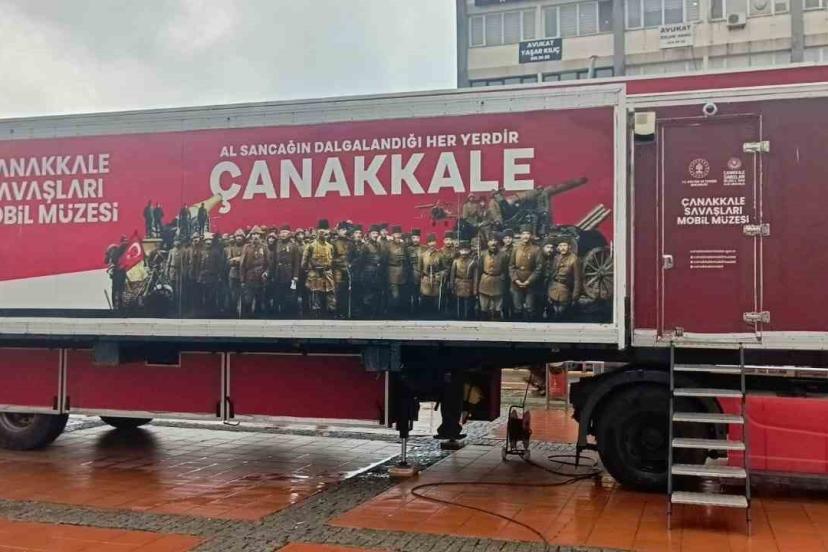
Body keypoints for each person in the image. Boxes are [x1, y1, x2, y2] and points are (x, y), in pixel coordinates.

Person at [302, 219, 336, 317]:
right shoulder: (311, 246)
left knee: (329, 293)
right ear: (317, 231)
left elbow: (332, 260)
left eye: (325, 230)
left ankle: (329, 314)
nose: (324, 232)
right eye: (321, 230)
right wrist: (310, 270)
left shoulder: (330, 246)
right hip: (315, 274)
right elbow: (304, 263)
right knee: (315, 294)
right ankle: (316, 315)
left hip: (327, 274)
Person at [509, 224, 543, 321]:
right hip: (516, 283)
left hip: (530, 283)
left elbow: (539, 268)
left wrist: (529, 281)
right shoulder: (516, 248)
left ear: (531, 235)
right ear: (520, 235)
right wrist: (516, 280)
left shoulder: (536, 249)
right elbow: (511, 266)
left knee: (530, 308)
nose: (525, 236)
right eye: (523, 234)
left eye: (528, 234)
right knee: (517, 308)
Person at [270, 225, 302, 317]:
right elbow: (273, 261)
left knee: (289, 295)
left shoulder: (294, 246)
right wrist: (272, 274)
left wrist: (295, 276)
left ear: (289, 234)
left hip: (289, 273)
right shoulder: (276, 245)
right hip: (278, 273)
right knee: (277, 294)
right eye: (282, 232)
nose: (283, 234)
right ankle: (277, 314)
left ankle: (288, 314)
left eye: (285, 232)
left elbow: (296, 263)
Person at [547, 239, 582, 320]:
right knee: (552, 314)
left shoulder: (574, 259)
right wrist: (549, 291)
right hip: (553, 290)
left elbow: (577, 280)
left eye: (565, 245)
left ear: (569, 247)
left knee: (562, 315)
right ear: (558, 248)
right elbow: (551, 276)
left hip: (565, 291)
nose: (562, 248)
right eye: (561, 246)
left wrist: (575, 297)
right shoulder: (556, 258)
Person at [477, 233, 509, 320]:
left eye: (495, 240)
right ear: (488, 242)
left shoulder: (504, 255)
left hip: (498, 282)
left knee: (498, 307)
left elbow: (506, 270)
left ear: (498, 242)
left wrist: (503, 279)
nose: (493, 243)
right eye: (491, 240)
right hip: (485, 282)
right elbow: (479, 270)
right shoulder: (483, 254)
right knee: (484, 307)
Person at [239, 226, 269, 317]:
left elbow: (268, 263)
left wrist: (266, 272)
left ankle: (258, 319)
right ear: (251, 236)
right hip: (249, 277)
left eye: (257, 234)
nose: (255, 236)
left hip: (260, 278)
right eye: (254, 234)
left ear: (260, 236)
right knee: (247, 300)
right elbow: (242, 264)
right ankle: (246, 318)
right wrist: (242, 279)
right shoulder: (247, 247)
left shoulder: (264, 247)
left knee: (259, 300)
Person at [418, 233, 445, 317]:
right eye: (430, 242)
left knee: (434, 299)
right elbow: (420, 268)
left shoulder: (440, 255)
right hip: (426, 280)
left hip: (436, 280)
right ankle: (424, 315)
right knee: (425, 298)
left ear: (436, 243)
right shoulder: (423, 255)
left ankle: (435, 316)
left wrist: (441, 274)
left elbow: (444, 268)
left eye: (433, 242)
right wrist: (422, 278)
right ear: (427, 243)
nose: (432, 244)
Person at [450, 240, 477, 320]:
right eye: (462, 250)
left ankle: (467, 318)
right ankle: (459, 318)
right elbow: (452, 275)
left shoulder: (473, 262)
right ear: (459, 250)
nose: (464, 252)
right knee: (459, 302)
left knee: (468, 303)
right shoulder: (455, 261)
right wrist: (452, 286)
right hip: (458, 284)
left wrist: (475, 289)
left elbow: (475, 277)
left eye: (466, 250)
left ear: (469, 251)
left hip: (469, 285)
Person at [385, 225, 408, 317]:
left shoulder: (403, 245)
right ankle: (392, 313)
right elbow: (384, 259)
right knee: (394, 294)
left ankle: (400, 313)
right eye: (396, 234)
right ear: (393, 235)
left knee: (401, 293)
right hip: (392, 272)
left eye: (399, 234)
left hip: (402, 272)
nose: (398, 235)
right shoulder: (388, 245)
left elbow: (406, 259)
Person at [332, 221, 353, 318]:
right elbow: (331, 258)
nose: (344, 231)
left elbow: (354, 256)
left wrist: (351, 263)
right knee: (338, 290)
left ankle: (346, 312)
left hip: (349, 270)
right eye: (342, 230)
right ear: (338, 231)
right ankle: (337, 312)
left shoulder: (350, 242)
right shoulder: (334, 243)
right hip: (338, 270)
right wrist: (341, 262)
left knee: (347, 291)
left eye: (345, 229)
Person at [225, 229, 245, 316]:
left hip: (244, 275)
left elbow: (247, 260)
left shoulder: (246, 247)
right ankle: (233, 313)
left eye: (240, 236)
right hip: (233, 275)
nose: (239, 238)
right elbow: (229, 261)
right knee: (234, 296)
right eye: (237, 236)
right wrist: (237, 260)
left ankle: (243, 314)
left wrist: (238, 259)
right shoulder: (231, 248)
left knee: (244, 296)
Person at [406, 229, 424, 314]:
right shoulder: (407, 249)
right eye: (413, 238)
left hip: (421, 274)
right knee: (411, 293)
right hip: (410, 274)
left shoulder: (424, 248)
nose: (415, 240)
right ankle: (411, 310)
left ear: (420, 238)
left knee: (420, 293)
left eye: (417, 238)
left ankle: (419, 310)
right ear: (411, 238)